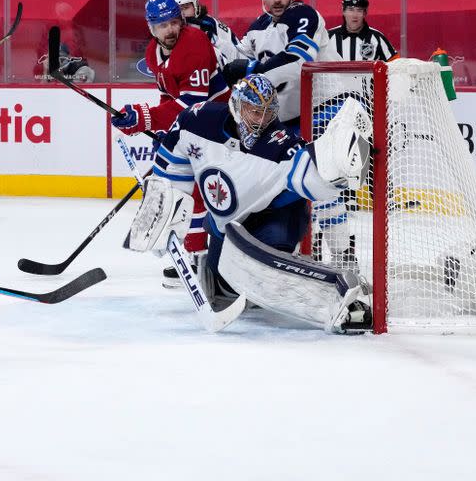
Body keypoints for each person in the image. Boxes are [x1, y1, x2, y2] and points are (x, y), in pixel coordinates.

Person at [124, 74, 373, 333]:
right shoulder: (196, 121)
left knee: (265, 281)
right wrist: (160, 209)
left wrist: (340, 166)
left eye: (268, 113)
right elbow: (172, 165)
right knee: (223, 290)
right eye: (254, 112)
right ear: (235, 106)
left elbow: (316, 179)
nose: (261, 120)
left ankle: (341, 301)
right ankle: (235, 278)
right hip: (228, 225)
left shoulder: (280, 144)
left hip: (274, 220)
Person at [113, 0, 229, 287]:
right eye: (162, 25)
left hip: (220, 123)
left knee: (201, 190)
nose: (170, 30)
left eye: (174, 22)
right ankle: (191, 255)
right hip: (194, 125)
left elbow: (192, 105)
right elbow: (169, 96)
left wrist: (144, 117)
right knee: (181, 187)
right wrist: (162, 127)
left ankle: (202, 259)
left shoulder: (195, 44)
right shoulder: (153, 53)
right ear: (151, 29)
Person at [227, 0, 340, 128]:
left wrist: (254, 69)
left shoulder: (303, 14)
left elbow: (299, 60)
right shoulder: (257, 28)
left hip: (328, 107)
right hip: (287, 120)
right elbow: (235, 61)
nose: (277, 0)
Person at [164, 0, 247, 68]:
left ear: (196, 6)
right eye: (176, 10)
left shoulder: (209, 25)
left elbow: (240, 60)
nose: (181, 15)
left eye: (185, 8)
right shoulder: (165, 29)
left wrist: (213, 39)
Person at [328, 0, 399, 62]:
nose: (354, 15)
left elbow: (396, 65)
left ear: (365, 13)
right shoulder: (328, 37)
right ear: (343, 11)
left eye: (359, 10)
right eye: (350, 10)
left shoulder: (377, 38)